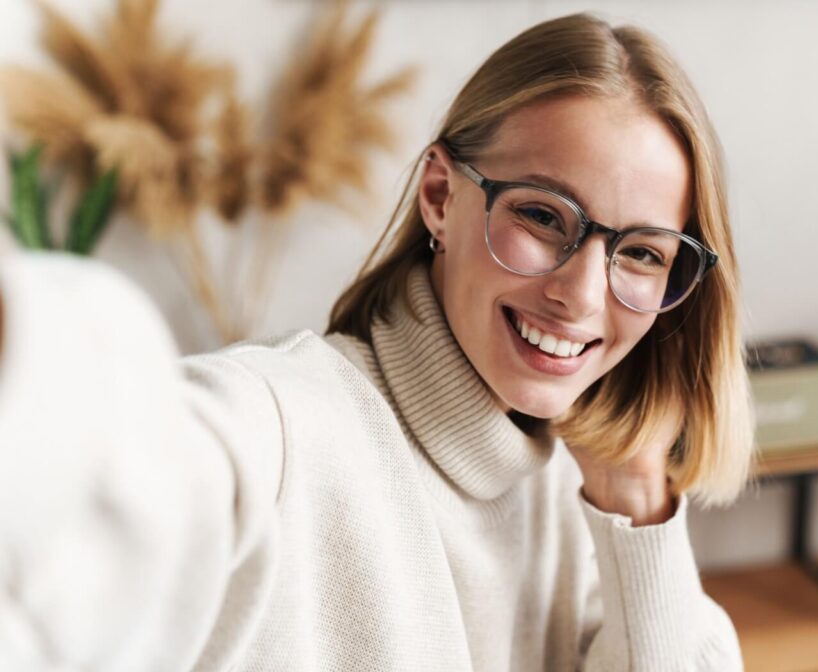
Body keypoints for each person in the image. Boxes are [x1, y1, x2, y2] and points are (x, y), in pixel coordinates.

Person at [0, 12, 753, 672]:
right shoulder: (285, 428)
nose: (582, 296)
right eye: (544, 217)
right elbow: (113, 470)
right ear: (439, 197)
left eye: (643, 254)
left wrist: (635, 498)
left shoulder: (573, 487)